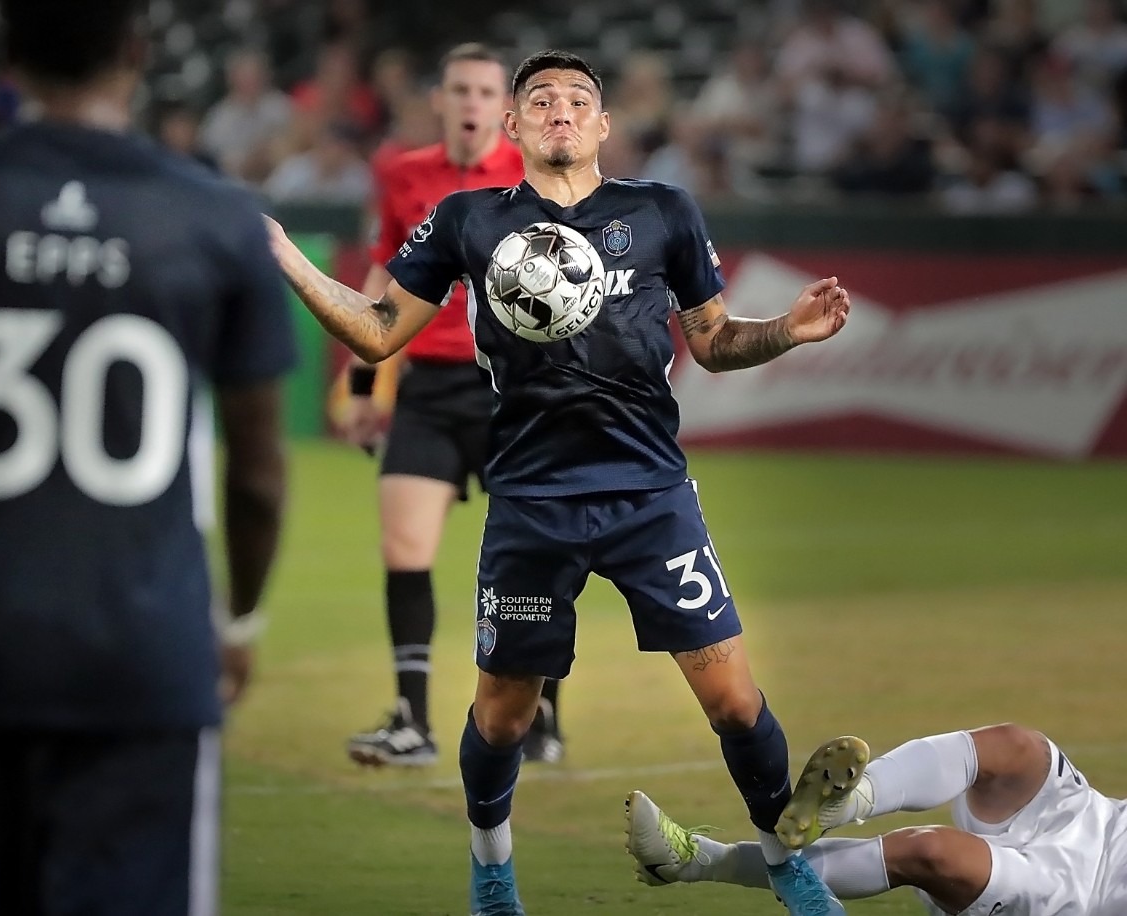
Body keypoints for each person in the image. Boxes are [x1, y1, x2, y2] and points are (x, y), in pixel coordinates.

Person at [266, 49, 851, 916]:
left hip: (651, 494)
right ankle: (493, 871)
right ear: (514, 126)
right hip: (533, 502)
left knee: (733, 698)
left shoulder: (662, 212)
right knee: (502, 717)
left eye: (579, 100)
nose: (561, 112)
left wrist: (787, 332)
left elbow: (717, 343)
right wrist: (287, 257)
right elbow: (381, 331)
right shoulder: (468, 220)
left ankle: (786, 865)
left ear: (605, 126)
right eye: (540, 100)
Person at [0, 1, 296, 913]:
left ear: (6, 55)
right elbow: (254, 471)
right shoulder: (213, 218)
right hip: (147, 664)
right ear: (137, 52)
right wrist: (239, 619)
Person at [339, 42, 564, 768]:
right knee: (404, 548)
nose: (470, 103)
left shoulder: (536, 175)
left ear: (503, 107)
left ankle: (544, 717)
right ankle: (413, 720)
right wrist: (367, 385)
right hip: (430, 388)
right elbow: (383, 284)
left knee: (536, 552)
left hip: (513, 389)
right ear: (438, 100)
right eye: (458, 89)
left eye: (483, 91)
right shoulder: (402, 176)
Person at [627, 723, 1127, 916]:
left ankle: (701, 862)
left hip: (1075, 899)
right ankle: (847, 803)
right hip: (1091, 818)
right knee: (1016, 747)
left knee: (928, 852)